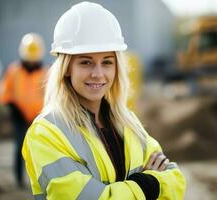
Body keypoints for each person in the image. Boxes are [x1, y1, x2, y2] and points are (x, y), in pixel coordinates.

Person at [22, 2, 186, 199]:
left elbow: (176, 181)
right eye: (86, 62)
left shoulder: (128, 122)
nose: (98, 74)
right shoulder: (47, 133)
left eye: (107, 62)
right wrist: (148, 183)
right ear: (66, 68)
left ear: (116, 68)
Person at [0, 33, 47, 187]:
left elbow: (52, 96)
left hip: (40, 116)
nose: (31, 62)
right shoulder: (13, 71)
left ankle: (42, 179)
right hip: (19, 114)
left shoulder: (47, 72)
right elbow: (5, 93)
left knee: (42, 148)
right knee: (20, 145)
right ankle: (19, 180)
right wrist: (16, 111)